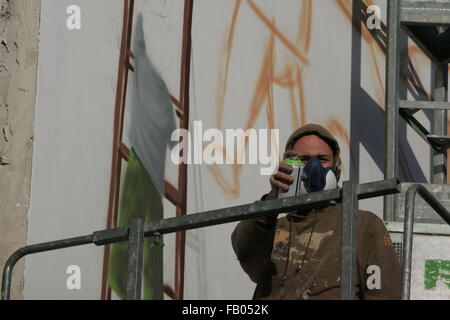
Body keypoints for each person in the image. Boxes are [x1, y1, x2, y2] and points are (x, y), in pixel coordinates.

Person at [231, 124, 401, 300]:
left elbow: (384, 294)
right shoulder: (270, 228)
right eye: (303, 159)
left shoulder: (361, 225)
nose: (313, 167)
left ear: (336, 168)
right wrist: (270, 203)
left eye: (322, 159)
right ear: (287, 168)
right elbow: (247, 255)